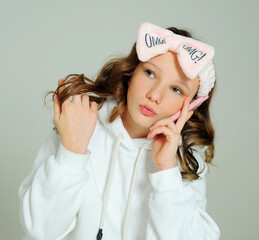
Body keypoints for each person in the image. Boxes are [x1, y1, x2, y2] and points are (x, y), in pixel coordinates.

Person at [18, 22, 221, 240]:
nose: (155, 95)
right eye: (150, 73)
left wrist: (166, 172)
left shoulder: (185, 160)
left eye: (176, 89)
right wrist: (72, 151)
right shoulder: (82, 123)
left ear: (191, 106)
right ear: (132, 72)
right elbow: (40, 230)